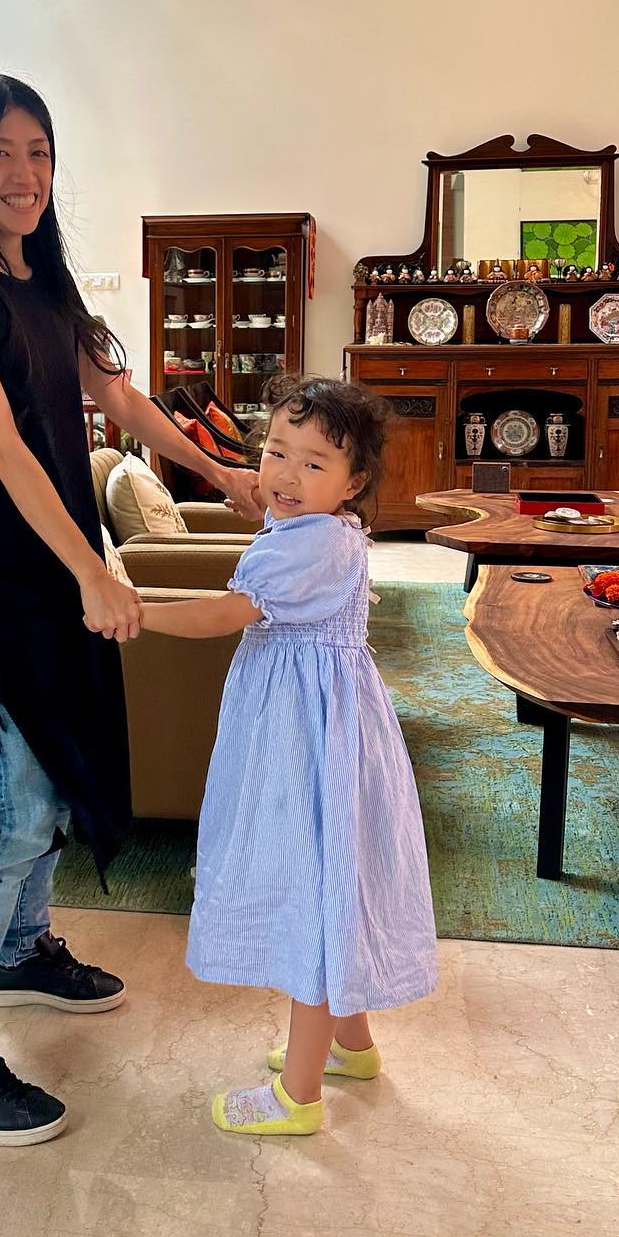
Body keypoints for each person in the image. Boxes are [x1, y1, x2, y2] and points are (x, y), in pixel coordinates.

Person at [0, 71, 261, 1148]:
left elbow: (121, 396)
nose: (26, 174)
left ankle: (20, 951)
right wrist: (94, 573)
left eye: (40, 152)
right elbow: (1, 445)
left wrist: (219, 472)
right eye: (1, 153)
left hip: (54, 552)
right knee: (10, 805)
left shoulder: (40, 276)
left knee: (66, 750)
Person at [141, 374, 438, 1137]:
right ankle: (351, 1047)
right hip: (311, 729)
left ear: (354, 483)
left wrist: (138, 611)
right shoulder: (314, 530)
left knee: (313, 897)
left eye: (314, 463)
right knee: (330, 879)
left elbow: (224, 615)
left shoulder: (315, 544)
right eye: (276, 452)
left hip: (310, 742)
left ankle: (297, 1097)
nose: (287, 474)